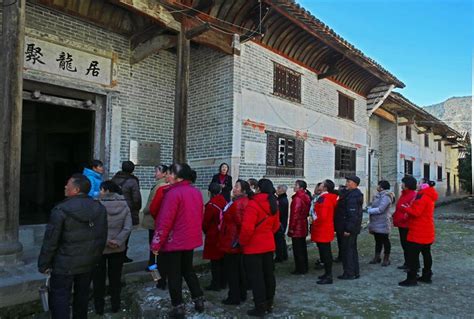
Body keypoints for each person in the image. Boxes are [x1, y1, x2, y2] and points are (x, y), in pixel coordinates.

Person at [38, 174, 107, 319]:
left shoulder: (61, 210)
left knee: (60, 299)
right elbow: (102, 236)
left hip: (64, 265)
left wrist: (44, 263)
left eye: (67, 184)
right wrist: (95, 257)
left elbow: (51, 241)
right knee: (82, 298)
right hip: (88, 263)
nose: (65, 187)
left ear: (75, 189)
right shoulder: (99, 208)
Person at [151, 163, 204, 318]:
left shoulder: (173, 193)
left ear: (179, 177)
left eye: (170, 173)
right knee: (188, 270)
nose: (167, 176)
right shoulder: (196, 192)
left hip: (174, 241)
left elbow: (164, 221)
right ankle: (198, 300)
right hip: (190, 239)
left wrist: (156, 243)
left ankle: (178, 306)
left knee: (174, 274)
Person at [240, 179, 280, 317]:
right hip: (268, 244)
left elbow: (247, 229)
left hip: (253, 246)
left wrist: (242, 242)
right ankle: (269, 302)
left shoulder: (253, 204)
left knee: (256, 278)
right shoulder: (273, 203)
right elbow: (276, 226)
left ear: (258, 189)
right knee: (268, 275)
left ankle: (260, 306)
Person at [93, 181, 132, 315]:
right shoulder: (124, 205)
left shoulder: (96, 205)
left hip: (100, 248)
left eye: (101, 189)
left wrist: (105, 241)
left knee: (98, 279)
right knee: (115, 278)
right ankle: (116, 305)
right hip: (118, 248)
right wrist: (118, 241)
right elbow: (127, 227)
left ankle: (99, 308)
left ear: (105, 190)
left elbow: (94, 228)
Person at [218, 180, 252, 305]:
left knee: (232, 271)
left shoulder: (238, 204)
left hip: (232, 241)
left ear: (243, 190)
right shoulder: (241, 201)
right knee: (239, 269)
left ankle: (234, 296)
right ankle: (241, 293)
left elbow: (240, 224)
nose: (234, 188)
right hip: (234, 240)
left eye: (237, 187)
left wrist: (237, 240)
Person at [399, 181, 438, 287]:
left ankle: (411, 279)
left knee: (413, 256)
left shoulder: (422, 196)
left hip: (418, 231)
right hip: (427, 229)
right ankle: (426, 275)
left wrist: (405, 208)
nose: (417, 183)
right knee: (426, 253)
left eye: (420, 182)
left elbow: (416, 212)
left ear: (423, 186)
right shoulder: (429, 196)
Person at [112, 161, 142, 263]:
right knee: (126, 232)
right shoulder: (133, 181)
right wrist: (137, 209)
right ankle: (122, 255)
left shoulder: (114, 179)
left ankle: (114, 253)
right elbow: (136, 198)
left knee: (115, 231)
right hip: (127, 210)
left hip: (114, 208)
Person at [334, 176, 363, 280]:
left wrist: (348, 229)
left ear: (354, 183)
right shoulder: (350, 194)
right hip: (347, 227)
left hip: (348, 228)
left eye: (348, 182)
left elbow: (352, 214)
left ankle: (349, 273)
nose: (346, 183)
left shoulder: (353, 196)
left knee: (348, 251)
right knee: (351, 250)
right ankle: (354, 271)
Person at [310, 179, 338, 284]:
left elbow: (322, 216)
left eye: (321, 184)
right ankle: (327, 273)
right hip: (324, 228)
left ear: (325, 188)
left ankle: (328, 275)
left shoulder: (324, 199)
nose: (319, 186)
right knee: (324, 252)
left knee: (325, 253)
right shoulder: (326, 197)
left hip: (322, 229)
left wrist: (314, 223)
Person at [141, 165, 168, 270]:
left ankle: (153, 266)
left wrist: (145, 210)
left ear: (164, 173)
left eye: (157, 171)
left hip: (153, 219)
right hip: (157, 219)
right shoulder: (161, 184)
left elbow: (152, 204)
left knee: (154, 244)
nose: (155, 174)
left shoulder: (160, 186)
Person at [202, 182, 227, 291]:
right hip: (223, 234)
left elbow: (205, 223)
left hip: (213, 235)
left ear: (209, 192)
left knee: (215, 262)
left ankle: (216, 283)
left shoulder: (211, 205)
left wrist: (206, 231)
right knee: (222, 260)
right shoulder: (224, 201)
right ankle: (223, 282)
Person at [367, 180, 395, 266]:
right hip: (376, 221)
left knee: (385, 240)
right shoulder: (378, 195)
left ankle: (386, 258)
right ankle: (377, 257)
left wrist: (369, 210)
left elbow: (380, 209)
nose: (377, 187)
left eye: (378, 185)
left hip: (383, 221)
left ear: (381, 187)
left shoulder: (386, 196)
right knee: (377, 240)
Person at [393, 175, 418, 270]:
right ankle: (407, 262)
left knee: (409, 246)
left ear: (407, 185)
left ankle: (412, 264)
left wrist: (403, 217)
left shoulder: (413, 195)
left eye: (403, 183)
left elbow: (411, 209)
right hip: (401, 223)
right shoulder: (404, 194)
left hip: (407, 224)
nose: (401, 184)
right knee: (404, 245)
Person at [288, 180, 311, 275]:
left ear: (301, 188)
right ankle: (304, 266)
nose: (294, 187)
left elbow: (294, 215)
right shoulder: (306, 197)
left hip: (297, 226)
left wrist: (291, 228)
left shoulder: (297, 198)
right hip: (303, 224)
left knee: (298, 249)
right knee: (302, 247)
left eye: (296, 185)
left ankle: (300, 268)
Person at [309, 182, 324, 269]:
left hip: (318, 223)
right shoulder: (314, 197)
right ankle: (322, 259)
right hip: (313, 222)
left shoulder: (321, 198)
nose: (317, 189)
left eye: (319, 188)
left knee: (322, 244)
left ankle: (323, 260)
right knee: (318, 243)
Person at [274, 184, 289, 263]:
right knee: (281, 240)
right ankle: (284, 255)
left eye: (278, 188)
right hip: (282, 223)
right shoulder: (282, 199)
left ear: (282, 190)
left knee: (279, 241)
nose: (277, 189)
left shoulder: (282, 200)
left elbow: (279, 212)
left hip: (280, 223)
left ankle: (280, 256)